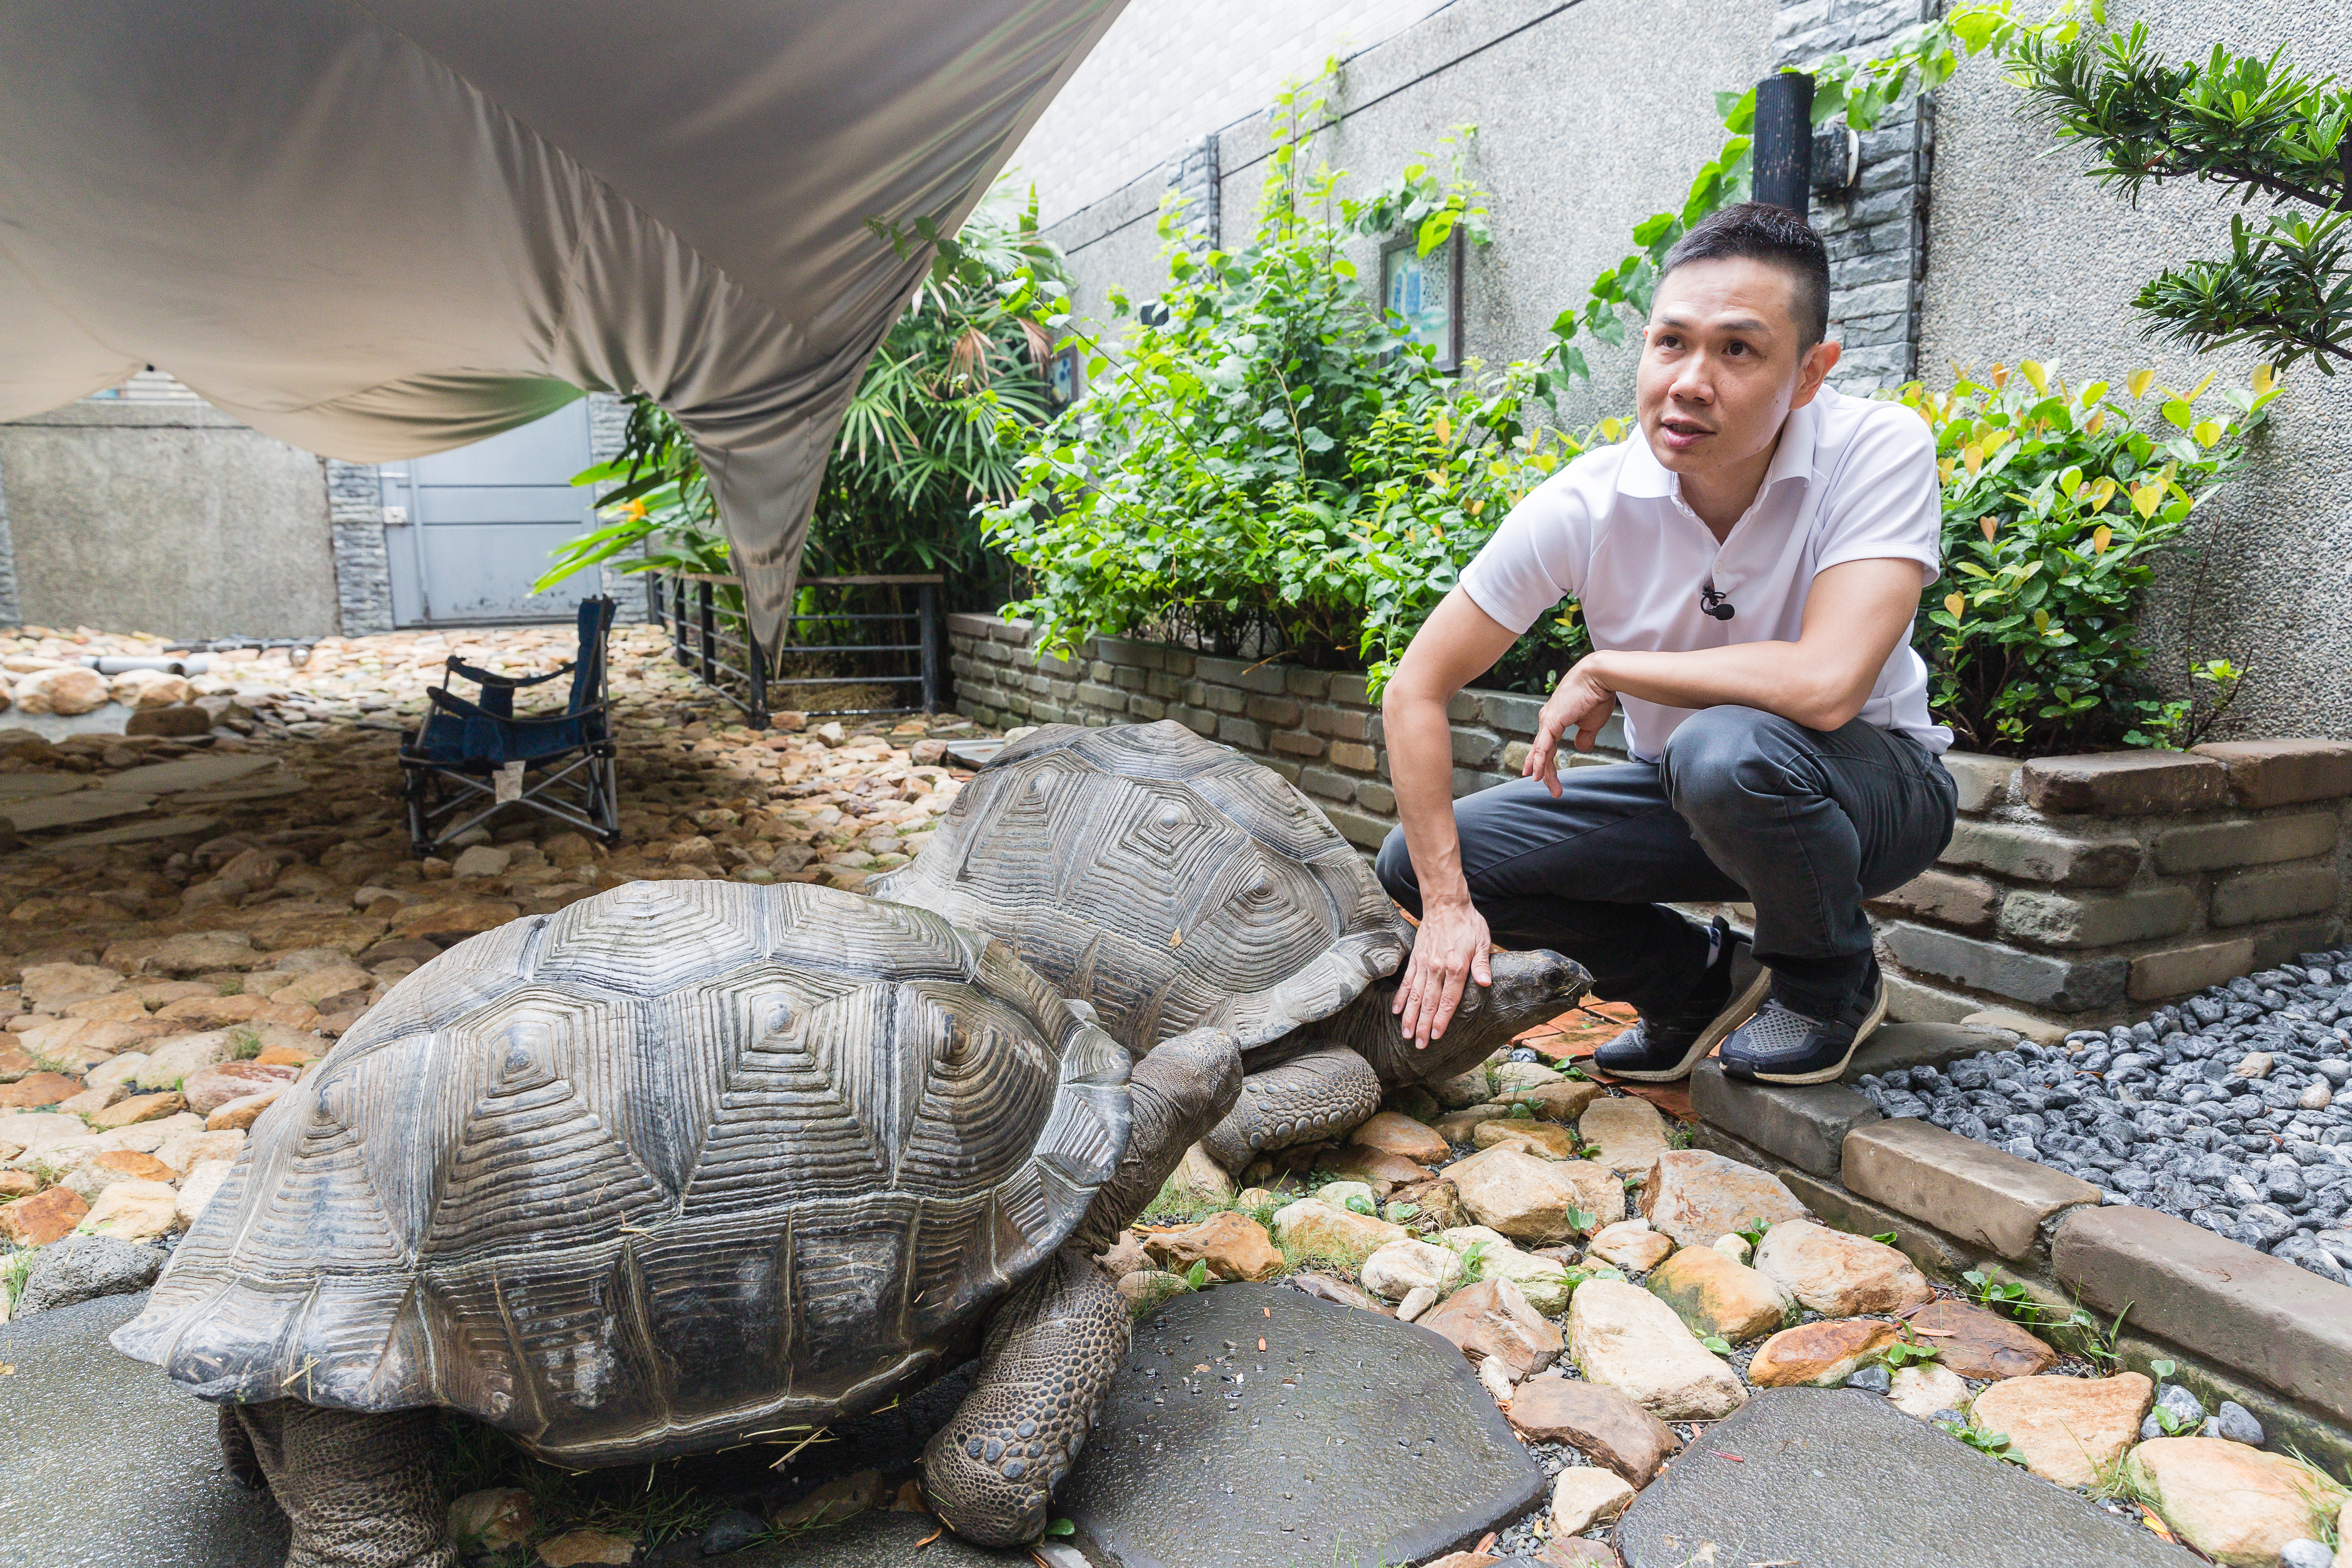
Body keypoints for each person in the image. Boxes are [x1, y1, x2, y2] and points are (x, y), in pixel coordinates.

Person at [1375, 201, 1956, 1086]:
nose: (1689, 380)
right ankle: (1696, 983)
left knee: (1725, 749)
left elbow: (1830, 683)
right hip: (1689, 793)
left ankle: (1829, 977)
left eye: (1737, 350)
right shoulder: (1588, 502)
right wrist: (1451, 907)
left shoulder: (1876, 448)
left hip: (1873, 791)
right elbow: (1416, 687)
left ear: (1810, 373)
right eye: (1671, 343)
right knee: (1425, 861)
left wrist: (1609, 665)